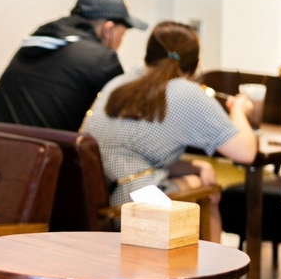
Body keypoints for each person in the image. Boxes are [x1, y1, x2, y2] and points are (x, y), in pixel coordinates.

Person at [81, 20, 258, 239]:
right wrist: (239, 109)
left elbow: (136, 157)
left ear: (147, 55)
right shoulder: (186, 92)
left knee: (198, 177)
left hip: (91, 205)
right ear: (196, 65)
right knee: (206, 190)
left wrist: (197, 165)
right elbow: (246, 152)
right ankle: (213, 261)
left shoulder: (118, 83)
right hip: (128, 208)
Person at [0, 0, 147, 131]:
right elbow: (128, 115)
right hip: (41, 153)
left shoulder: (38, 40)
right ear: (108, 29)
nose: (120, 42)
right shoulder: (101, 59)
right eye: (122, 34)